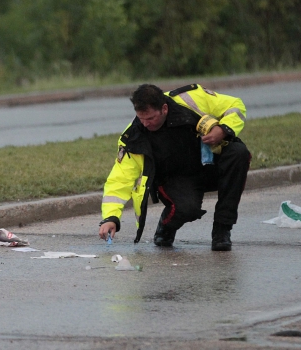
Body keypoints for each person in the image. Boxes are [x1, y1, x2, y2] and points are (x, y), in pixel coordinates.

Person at [97, 84, 251, 251]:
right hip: (174, 180)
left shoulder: (191, 99)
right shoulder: (134, 137)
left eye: (150, 118)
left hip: (208, 166)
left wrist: (223, 129)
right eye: (141, 118)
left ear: (164, 108)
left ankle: (222, 230)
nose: (145, 124)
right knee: (187, 209)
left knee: (239, 153)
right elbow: (119, 180)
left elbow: (235, 105)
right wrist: (111, 217)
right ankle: (166, 227)